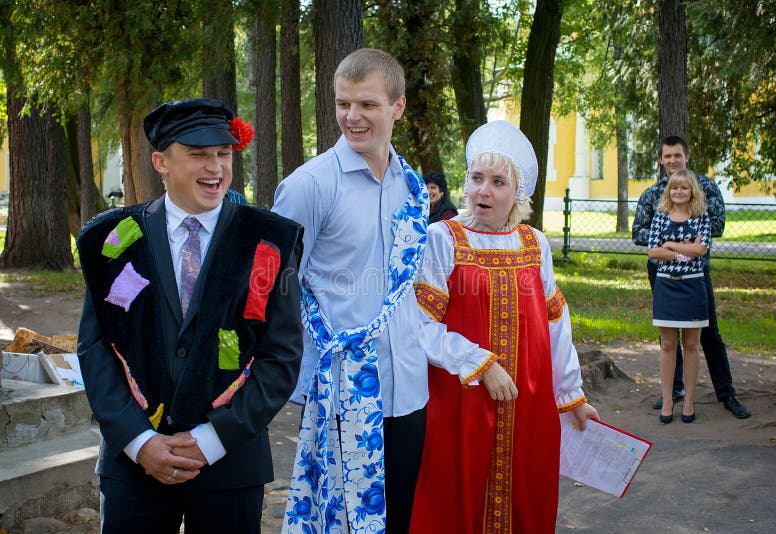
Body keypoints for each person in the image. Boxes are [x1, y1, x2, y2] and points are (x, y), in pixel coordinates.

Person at [273, 48, 513, 533]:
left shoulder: (412, 188)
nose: (352, 117)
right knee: (340, 523)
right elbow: (274, 288)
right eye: (343, 104)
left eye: (367, 105)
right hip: (344, 392)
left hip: (408, 390)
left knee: (398, 518)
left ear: (397, 108)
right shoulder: (309, 186)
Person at [76, 97, 303, 533]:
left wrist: (213, 439)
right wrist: (140, 442)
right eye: (198, 155)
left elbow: (282, 357)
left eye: (223, 153)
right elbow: (96, 347)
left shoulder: (271, 240)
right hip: (134, 465)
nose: (215, 168)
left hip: (229, 465)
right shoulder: (112, 241)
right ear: (161, 161)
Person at [409, 120, 599, 533]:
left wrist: (571, 395)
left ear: (518, 193)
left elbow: (555, 324)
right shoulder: (443, 239)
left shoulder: (535, 244)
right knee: (453, 499)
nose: (483, 191)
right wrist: (479, 362)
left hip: (527, 404)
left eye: (498, 182)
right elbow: (420, 325)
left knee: (525, 499)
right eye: (477, 179)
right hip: (460, 401)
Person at [632, 136, 751, 419]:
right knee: (668, 335)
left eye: (678, 155)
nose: (673, 160)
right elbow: (639, 232)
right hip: (662, 273)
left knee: (709, 334)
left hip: (697, 274)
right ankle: (673, 392)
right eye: (667, 156)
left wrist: (669, 242)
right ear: (661, 160)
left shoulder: (706, 188)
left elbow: (716, 226)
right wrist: (677, 244)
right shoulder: (652, 194)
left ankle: (727, 394)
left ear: (687, 157)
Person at [647, 169, 710, 424]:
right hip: (666, 287)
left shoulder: (701, 216)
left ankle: (689, 401)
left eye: (684, 188)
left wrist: (671, 246)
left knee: (692, 345)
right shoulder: (661, 217)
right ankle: (668, 400)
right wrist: (685, 251)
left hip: (693, 287)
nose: (679, 192)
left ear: (691, 191)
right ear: (669, 191)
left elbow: (702, 249)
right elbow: (653, 252)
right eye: (674, 188)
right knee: (668, 345)